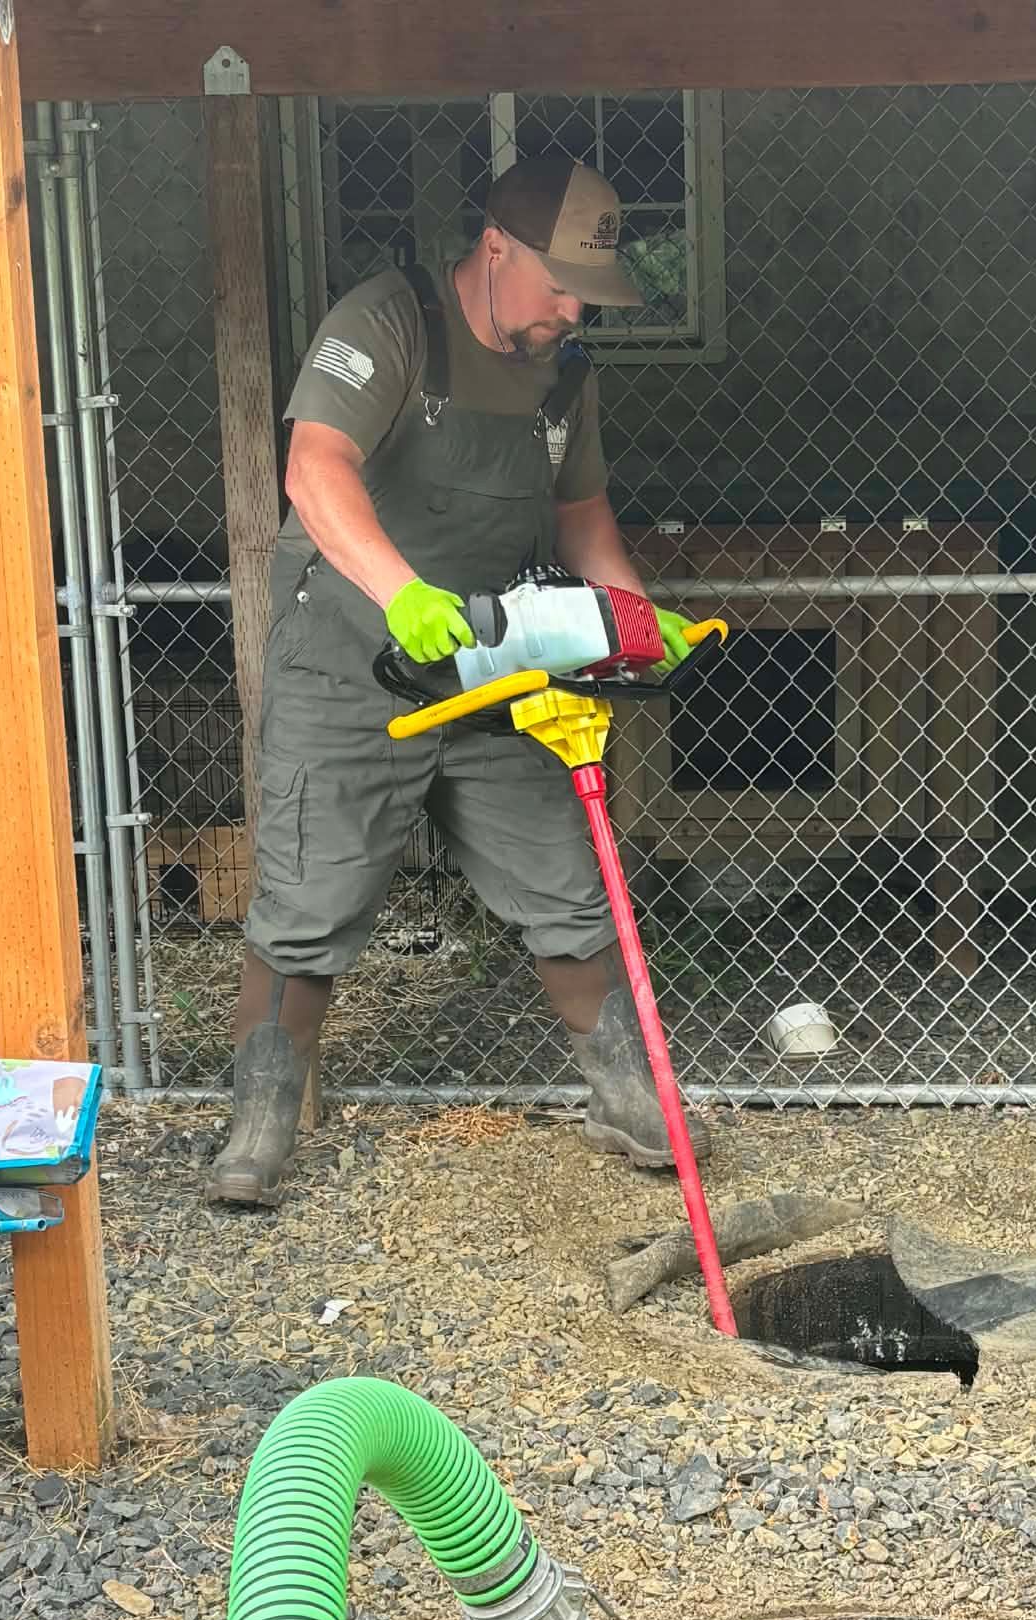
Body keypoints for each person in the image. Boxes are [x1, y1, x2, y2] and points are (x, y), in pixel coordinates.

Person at [207, 155, 711, 1207]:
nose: (572, 311)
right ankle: (259, 1120)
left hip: (491, 658)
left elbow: (581, 518)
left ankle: (628, 1096)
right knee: (309, 897)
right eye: (559, 286)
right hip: (352, 654)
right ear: (495, 251)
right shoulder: (388, 320)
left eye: (588, 294)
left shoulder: (567, 375)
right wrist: (400, 594)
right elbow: (314, 467)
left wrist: (634, 616)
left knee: (568, 885)